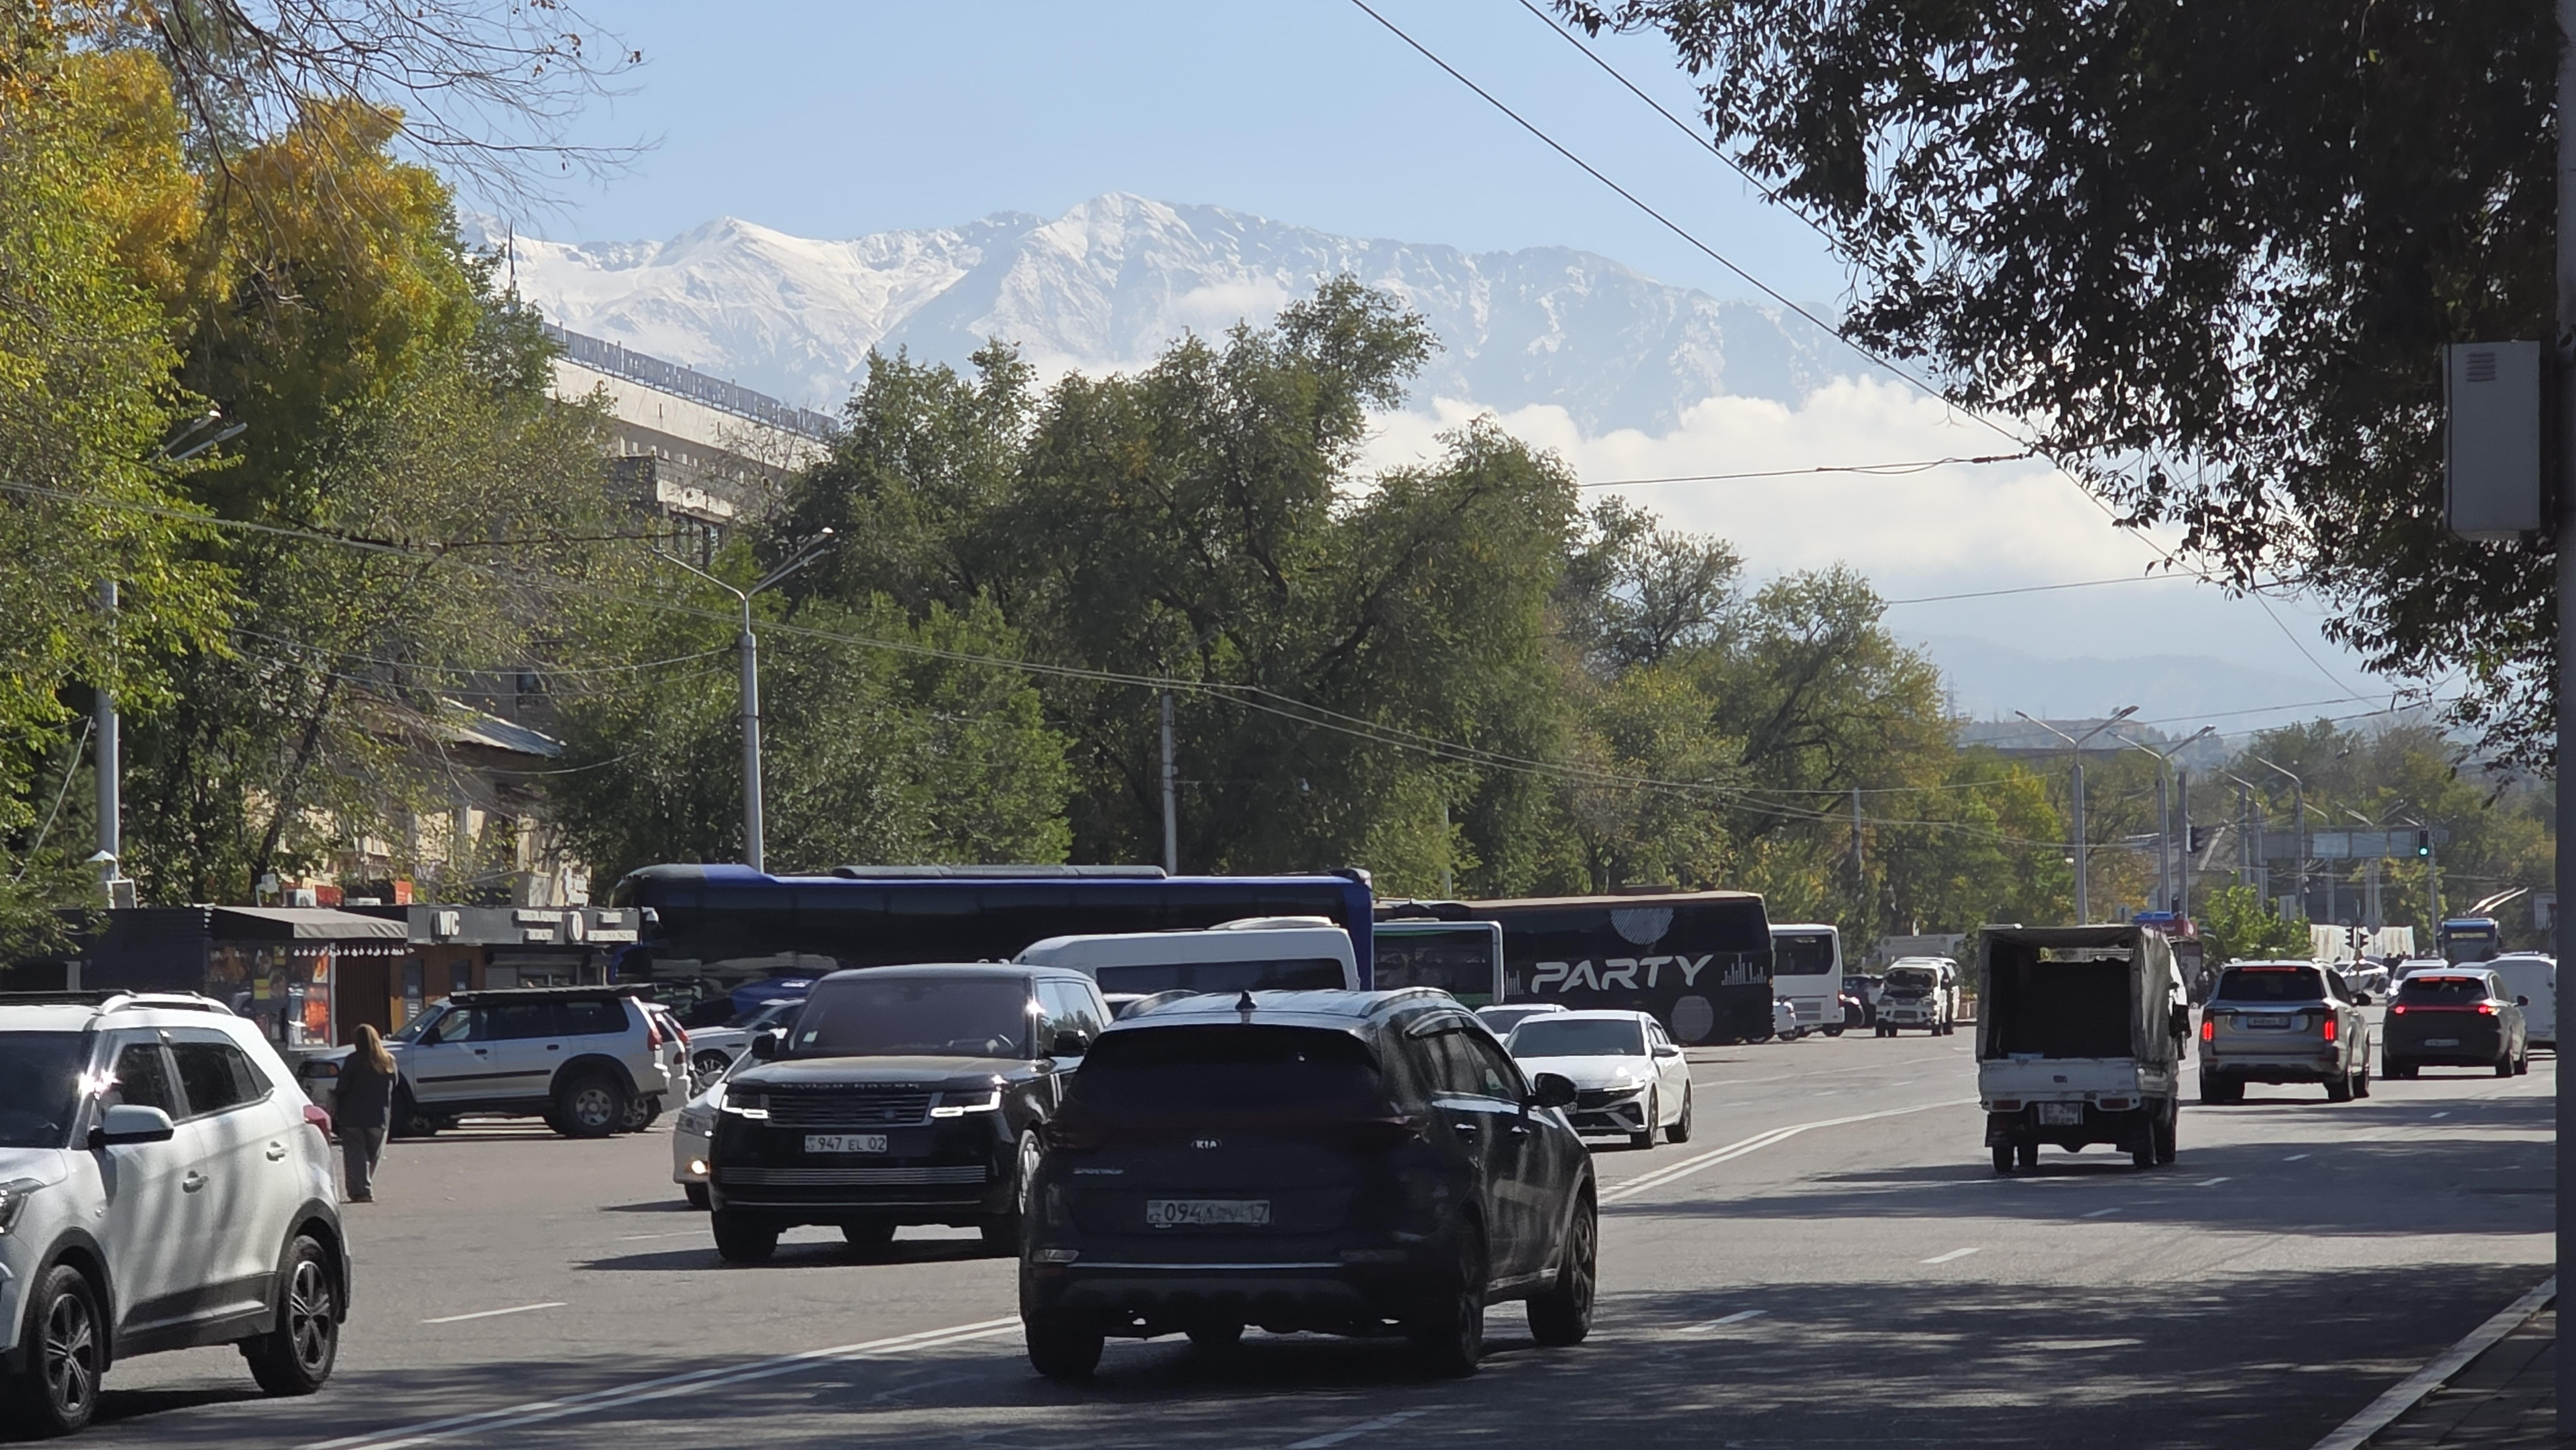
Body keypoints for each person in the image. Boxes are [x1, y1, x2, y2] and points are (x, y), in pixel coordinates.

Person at [336, 1024, 397, 1203]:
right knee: (373, 1156)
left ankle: (361, 1190)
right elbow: (395, 1085)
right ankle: (363, 1187)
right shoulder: (389, 1061)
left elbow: (342, 1087)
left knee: (356, 1155)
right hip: (379, 1116)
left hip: (353, 1115)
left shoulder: (353, 1060)